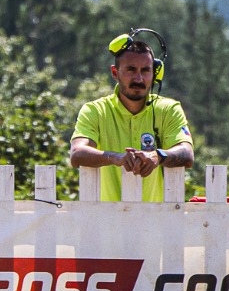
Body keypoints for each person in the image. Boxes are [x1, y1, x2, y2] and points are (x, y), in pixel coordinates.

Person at [69, 29, 195, 202]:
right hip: (106, 217)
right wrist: (115, 157)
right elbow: (77, 154)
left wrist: (158, 156)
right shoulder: (95, 110)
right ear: (115, 73)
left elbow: (187, 153)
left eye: (146, 70)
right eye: (131, 70)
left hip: (157, 216)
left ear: (156, 73)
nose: (139, 78)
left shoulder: (169, 109)